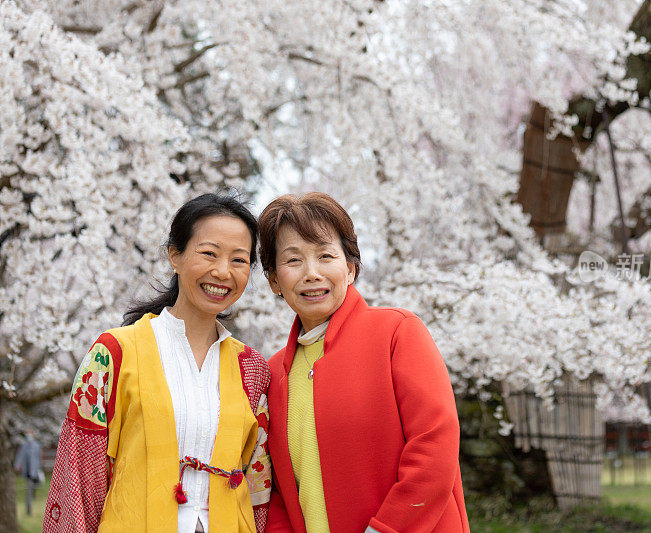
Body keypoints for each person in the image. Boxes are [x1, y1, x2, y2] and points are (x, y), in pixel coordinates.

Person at [44, 193, 271, 533]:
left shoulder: (252, 369)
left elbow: (259, 485)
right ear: (175, 255)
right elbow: (79, 476)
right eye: (208, 253)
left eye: (239, 260)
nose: (222, 271)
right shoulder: (114, 353)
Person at [258, 192, 469, 533]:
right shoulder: (273, 373)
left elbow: (434, 447)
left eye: (325, 256)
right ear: (273, 281)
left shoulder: (397, 332)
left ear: (350, 268)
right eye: (293, 261)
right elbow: (275, 489)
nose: (312, 274)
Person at [15, 429, 43, 516]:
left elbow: (39, 458)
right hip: (27, 472)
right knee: (29, 490)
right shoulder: (24, 446)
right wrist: (16, 466)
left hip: (35, 471)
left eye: (30, 435)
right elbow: (20, 456)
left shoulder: (37, 446)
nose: (28, 437)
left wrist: (39, 469)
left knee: (33, 487)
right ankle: (28, 509)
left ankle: (32, 498)